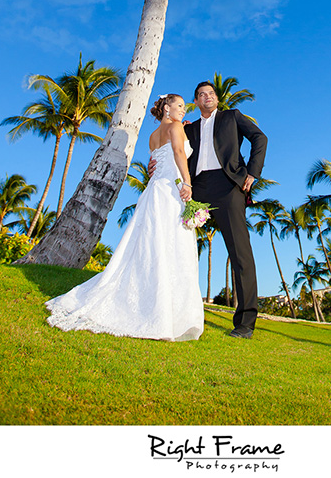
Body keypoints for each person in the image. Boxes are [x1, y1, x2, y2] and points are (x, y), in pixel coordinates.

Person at [44, 93, 204, 341]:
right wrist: (188, 184)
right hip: (171, 191)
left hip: (154, 191)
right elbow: (178, 152)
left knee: (151, 246)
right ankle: (165, 311)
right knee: (171, 247)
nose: (184, 110)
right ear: (166, 108)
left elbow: (156, 163)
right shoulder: (174, 127)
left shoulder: (153, 135)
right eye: (180, 106)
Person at [151, 80, 268, 339]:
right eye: (201, 95)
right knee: (176, 246)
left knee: (240, 254)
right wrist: (155, 165)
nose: (207, 97)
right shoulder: (187, 128)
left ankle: (245, 323)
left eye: (211, 93)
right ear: (196, 102)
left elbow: (260, 137)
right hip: (196, 188)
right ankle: (171, 310)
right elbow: (173, 150)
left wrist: (252, 172)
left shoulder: (231, 117)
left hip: (227, 187)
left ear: (216, 98)